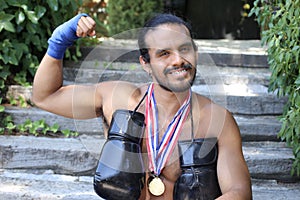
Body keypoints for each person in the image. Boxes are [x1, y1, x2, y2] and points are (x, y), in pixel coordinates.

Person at [32, 13, 252, 200]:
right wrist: (59, 42)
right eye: (164, 53)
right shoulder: (117, 98)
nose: (177, 60)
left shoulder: (217, 120)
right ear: (145, 63)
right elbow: (45, 96)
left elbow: (239, 192)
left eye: (184, 49)